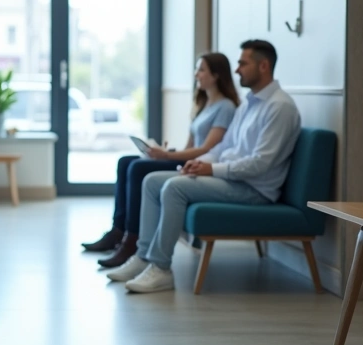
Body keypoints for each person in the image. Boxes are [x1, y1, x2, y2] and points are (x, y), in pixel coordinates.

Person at [106, 39, 301, 293]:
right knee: (152, 181)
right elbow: (224, 147)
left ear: (263, 66)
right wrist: (200, 162)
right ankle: (143, 257)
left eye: (243, 63)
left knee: (174, 188)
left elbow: (260, 164)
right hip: (233, 179)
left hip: (255, 190)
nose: (237, 69)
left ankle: (161, 268)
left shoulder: (280, 107)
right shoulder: (249, 104)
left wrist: (212, 169)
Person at [82, 53, 240, 269]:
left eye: (201, 70)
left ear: (216, 75)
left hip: (200, 165)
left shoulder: (226, 107)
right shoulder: (204, 104)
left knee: (138, 168)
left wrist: (166, 156)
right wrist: (166, 151)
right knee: (125, 162)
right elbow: (189, 147)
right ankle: (117, 231)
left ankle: (132, 240)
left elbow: (206, 149)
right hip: (189, 158)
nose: (196, 74)